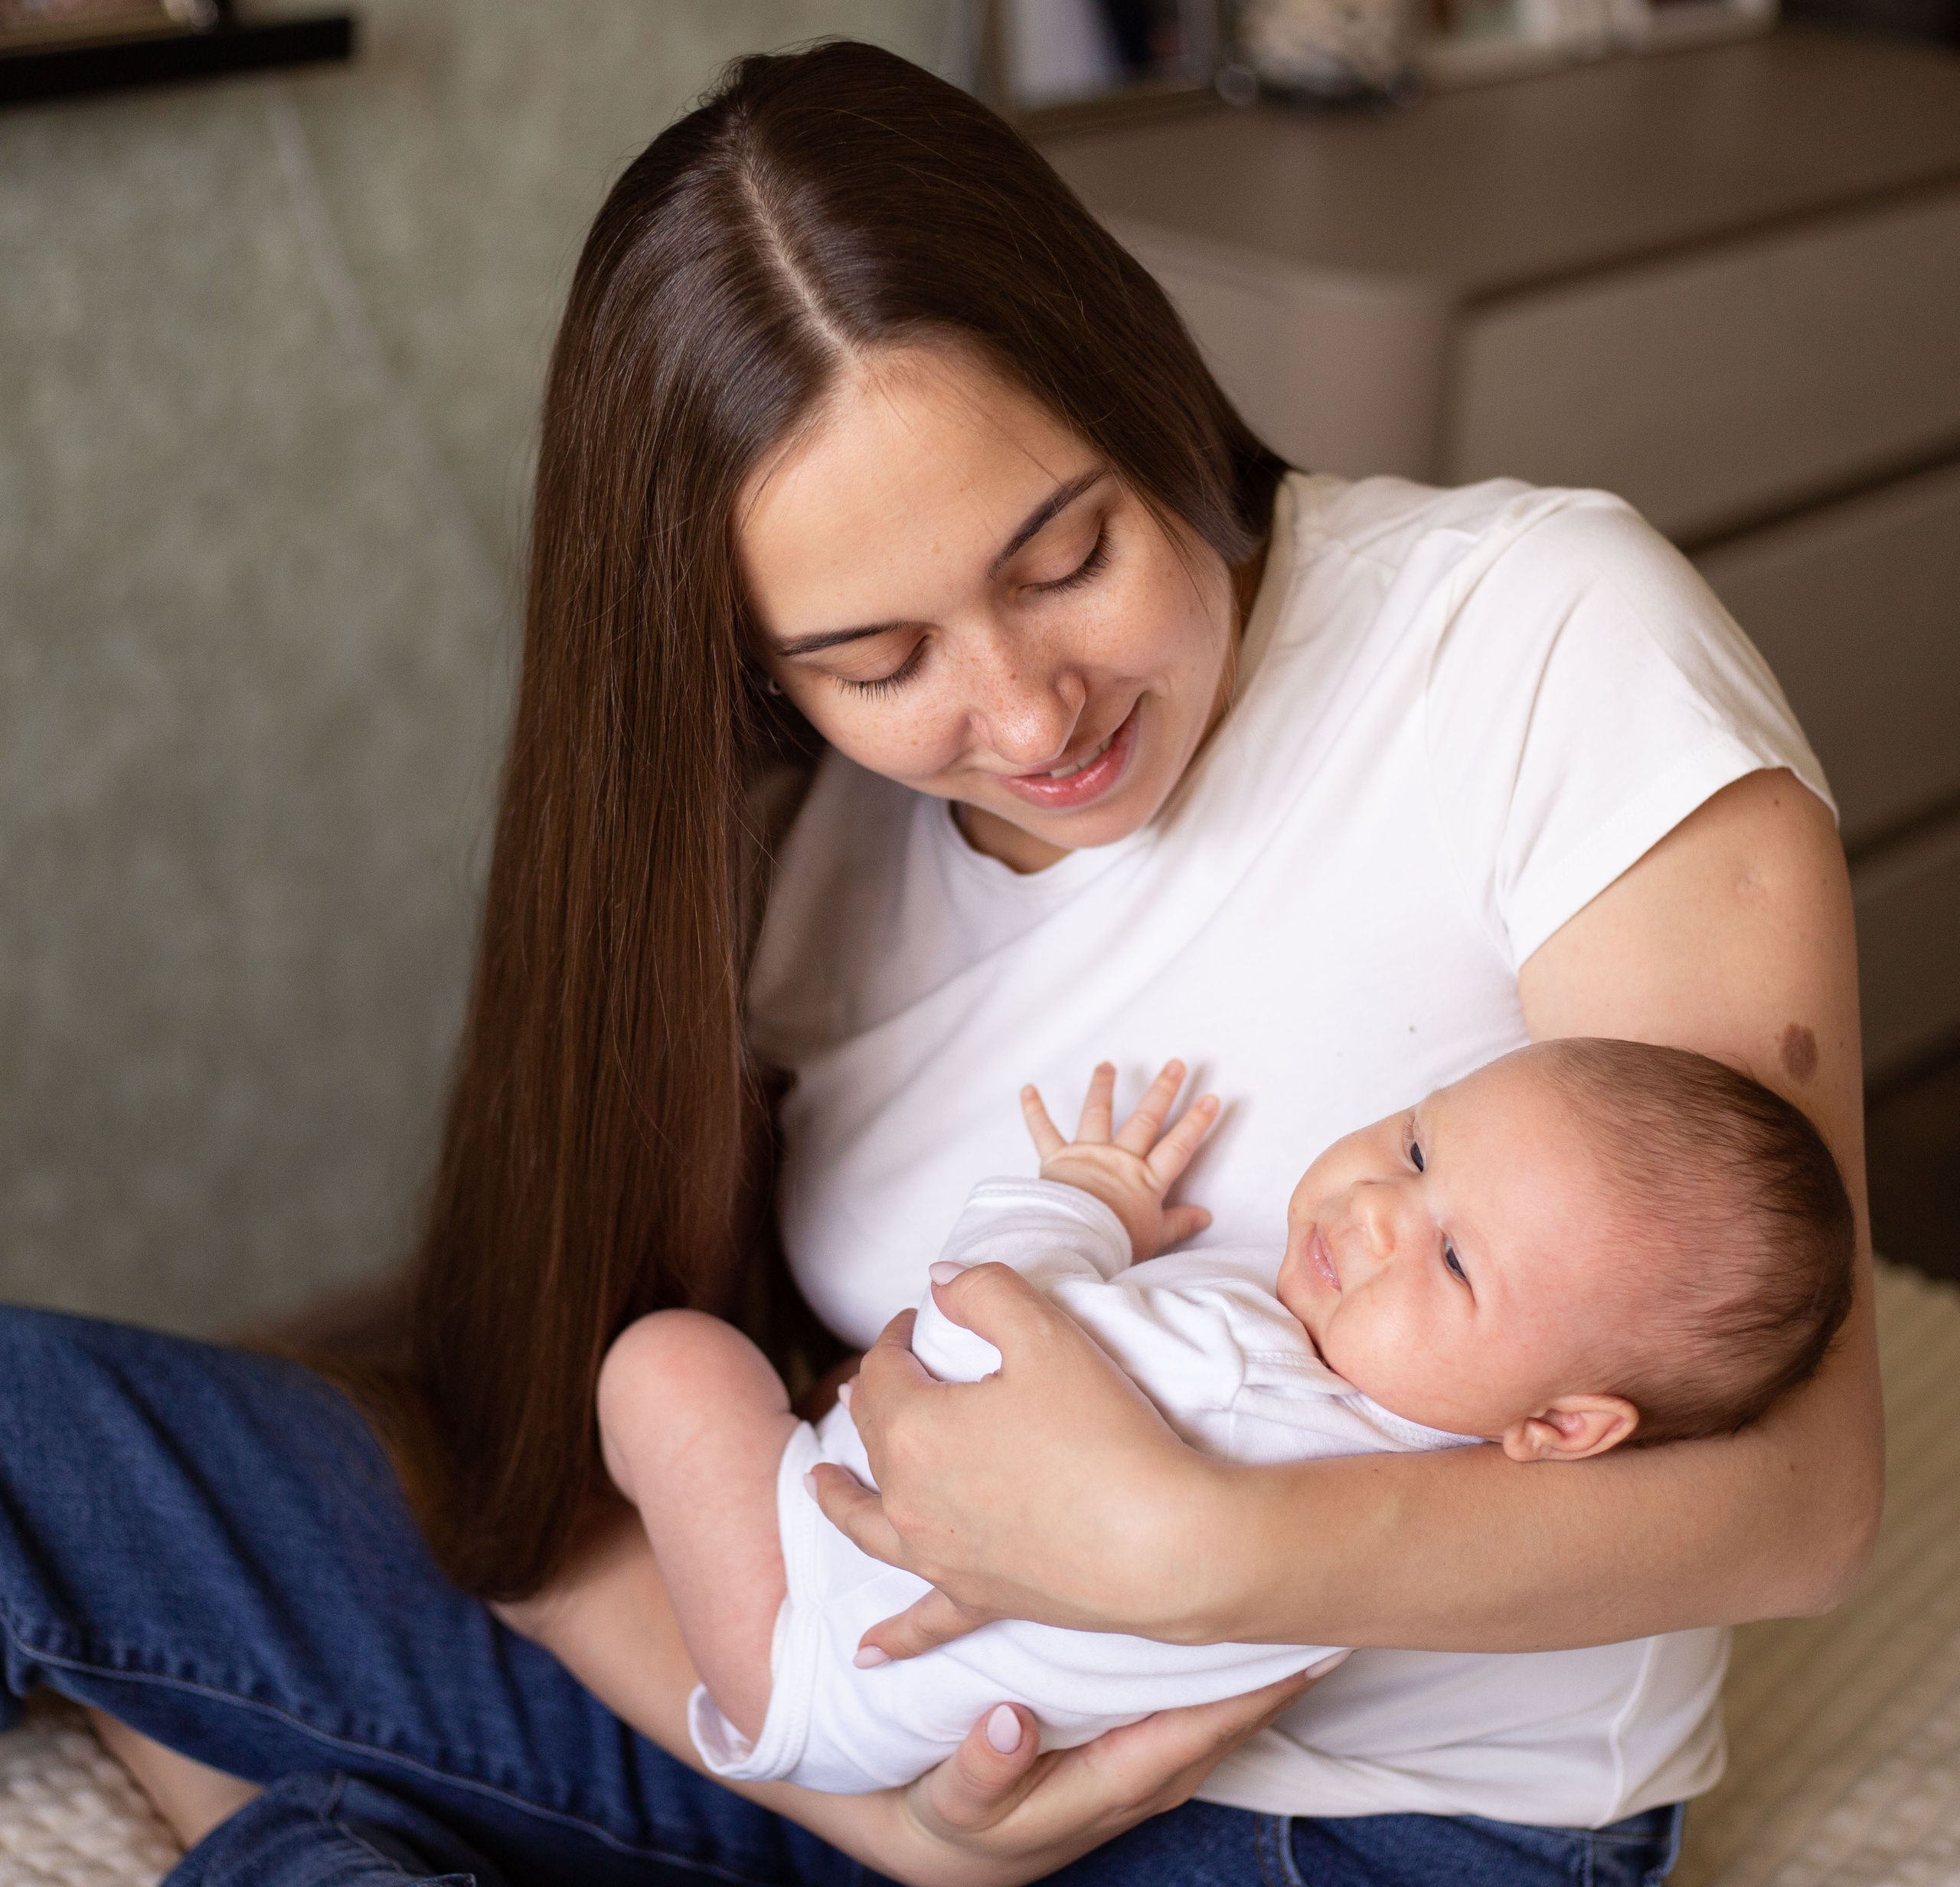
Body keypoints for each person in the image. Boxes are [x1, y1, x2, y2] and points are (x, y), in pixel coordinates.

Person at [0, 36, 1877, 1887]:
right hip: (878, 1718)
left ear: (1144, 395)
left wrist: (1196, 1551)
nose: (1029, 713)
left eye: (1064, 557)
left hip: (1347, 1822)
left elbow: (1800, 1499)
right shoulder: (794, 858)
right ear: (754, 669)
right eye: (877, 662)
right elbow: (581, 1514)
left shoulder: (1535, 642)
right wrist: (884, 1824)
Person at [600, 1040, 1857, 1797]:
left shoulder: (1235, 1381)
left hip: (810, 1639)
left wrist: (1081, 1206)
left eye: (1455, 1261)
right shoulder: (1402, 1485)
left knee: (665, 1370)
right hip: (894, 1696)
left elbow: (969, 1323)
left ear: (1569, 1426)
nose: (1376, 1210)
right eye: (1419, 1149)